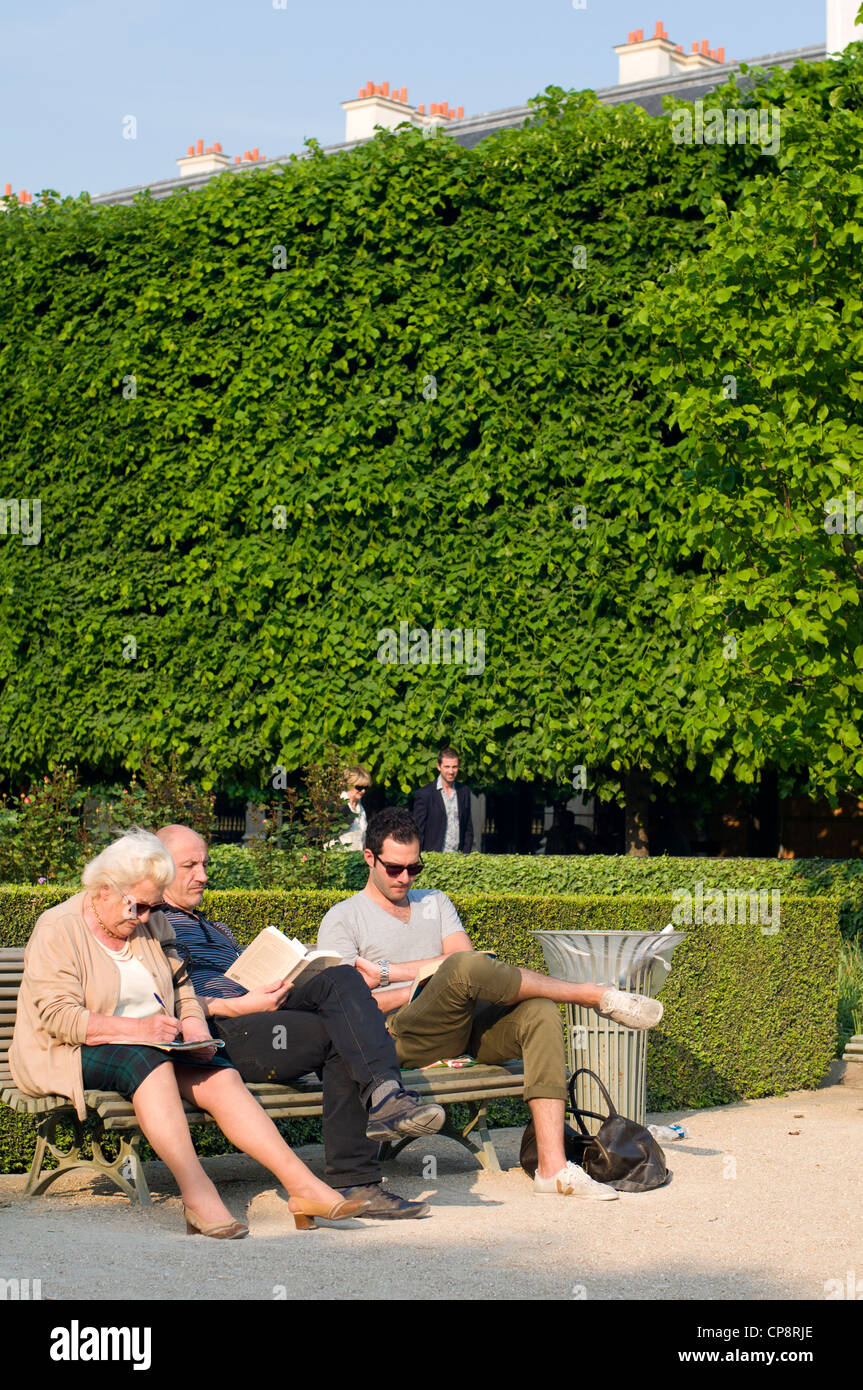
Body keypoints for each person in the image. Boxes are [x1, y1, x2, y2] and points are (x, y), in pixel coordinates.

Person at [10, 829, 370, 1236]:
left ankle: (303, 1187)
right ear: (105, 888)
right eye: (138, 906)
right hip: (71, 1049)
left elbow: (183, 989)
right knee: (147, 1060)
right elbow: (61, 1020)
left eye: (153, 906)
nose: (146, 917)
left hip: (156, 1042)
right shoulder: (59, 927)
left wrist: (195, 1029)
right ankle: (198, 1196)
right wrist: (139, 1028)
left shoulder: (154, 923)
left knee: (219, 1072)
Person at [318, 808, 665, 1202]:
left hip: (462, 1026)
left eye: (415, 869)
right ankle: (589, 994)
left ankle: (552, 1168)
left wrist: (388, 971)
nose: (405, 878)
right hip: (398, 1038)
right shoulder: (343, 919)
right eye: (395, 869)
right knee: (462, 968)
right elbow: (346, 1007)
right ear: (370, 858)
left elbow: (471, 962)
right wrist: (423, 987)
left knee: (540, 1011)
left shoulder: (435, 902)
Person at [154, 823, 444, 1220]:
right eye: (190, 865)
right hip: (221, 1032)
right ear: (157, 868)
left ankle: (383, 1102)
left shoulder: (216, 928)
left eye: (204, 863)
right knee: (342, 1033)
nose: (203, 875)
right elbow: (157, 1002)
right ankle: (359, 1170)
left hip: (265, 1014)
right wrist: (233, 1006)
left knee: (342, 978)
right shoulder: (149, 927)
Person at [412, 747, 473, 853]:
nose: (451, 771)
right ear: (439, 767)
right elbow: (418, 830)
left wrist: (466, 854)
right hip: (433, 858)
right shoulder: (425, 794)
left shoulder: (464, 792)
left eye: (454, 767)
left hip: (459, 858)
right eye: (447, 767)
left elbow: (468, 826)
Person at [329, 764, 370, 850]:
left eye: (366, 787)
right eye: (359, 787)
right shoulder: (336, 806)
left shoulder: (361, 809)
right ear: (348, 785)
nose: (363, 791)